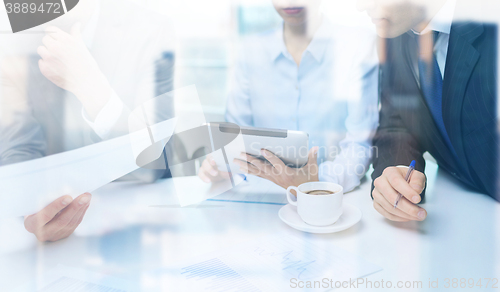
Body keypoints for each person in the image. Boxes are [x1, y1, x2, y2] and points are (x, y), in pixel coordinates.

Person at [0, 0, 175, 241]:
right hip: (56, 238)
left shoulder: (151, 30)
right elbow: (19, 149)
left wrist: (92, 87)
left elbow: (158, 161)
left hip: (140, 222)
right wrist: (32, 210)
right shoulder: (12, 41)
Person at [198, 0, 379, 192]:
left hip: (333, 197)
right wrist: (226, 169)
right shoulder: (250, 51)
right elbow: (237, 142)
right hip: (262, 198)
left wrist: (316, 181)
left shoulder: (357, 45)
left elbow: (359, 145)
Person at [356, 0, 498, 222]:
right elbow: (397, 121)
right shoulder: (394, 34)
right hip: (463, 220)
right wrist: (398, 173)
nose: (360, 7)